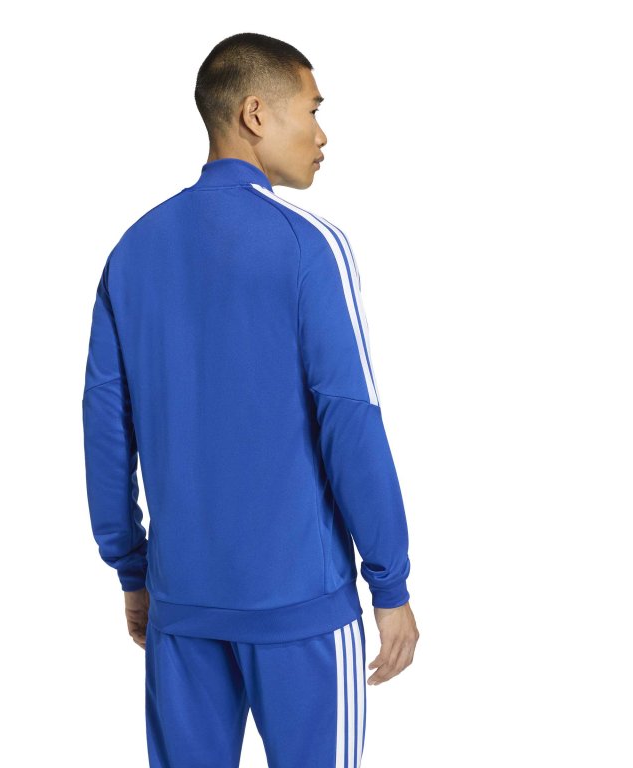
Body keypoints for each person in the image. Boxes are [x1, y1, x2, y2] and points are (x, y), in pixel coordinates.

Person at [82, 31, 420, 768]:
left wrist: (132, 571)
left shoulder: (132, 250)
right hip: (300, 611)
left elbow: (106, 428)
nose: (323, 134)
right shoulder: (308, 245)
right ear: (256, 113)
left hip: (182, 607)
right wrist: (389, 583)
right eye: (314, 109)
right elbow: (349, 420)